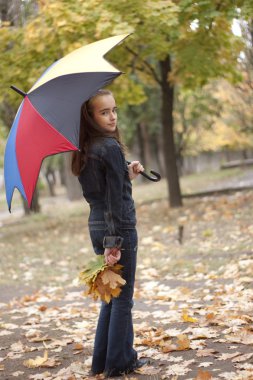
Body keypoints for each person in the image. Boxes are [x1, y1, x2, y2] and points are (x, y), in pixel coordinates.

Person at [71, 89, 149, 377]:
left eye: (114, 109)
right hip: (117, 228)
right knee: (123, 299)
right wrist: (114, 242)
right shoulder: (110, 147)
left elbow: (104, 191)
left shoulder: (86, 147)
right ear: (90, 117)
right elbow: (115, 201)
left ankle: (101, 361)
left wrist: (125, 174)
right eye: (104, 112)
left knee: (111, 295)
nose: (112, 115)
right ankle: (120, 362)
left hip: (97, 225)